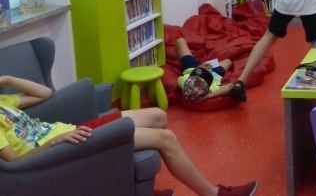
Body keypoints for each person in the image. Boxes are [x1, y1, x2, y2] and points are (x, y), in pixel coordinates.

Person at [0, 75, 257, 196]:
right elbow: (13, 162)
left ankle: (137, 190)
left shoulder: (4, 100)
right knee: (165, 138)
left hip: (75, 129)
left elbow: (44, 93)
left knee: (158, 116)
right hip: (66, 147)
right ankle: (215, 195)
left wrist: (8, 79)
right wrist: (55, 142)